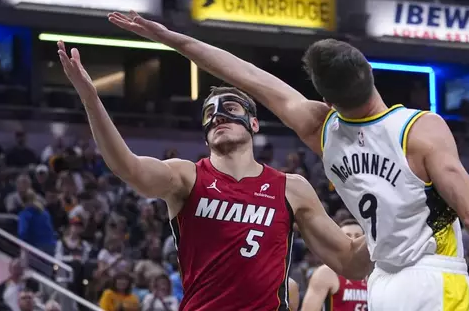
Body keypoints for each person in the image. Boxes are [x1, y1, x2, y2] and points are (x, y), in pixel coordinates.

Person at [108, 11, 469, 311]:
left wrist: (175, 39)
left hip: (383, 288)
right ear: (370, 72)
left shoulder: (321, 129)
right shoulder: (421, 129)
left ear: (326, 97)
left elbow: (249, 77)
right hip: (434, 280)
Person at [57, 41, 369, 311]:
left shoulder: (292, 188)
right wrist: (91, 100)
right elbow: (128, 167)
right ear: (205, 134)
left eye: (230, 107)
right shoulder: (187, 176)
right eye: (210, 113)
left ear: (254, 124)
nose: (219, 115)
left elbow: (351, 263)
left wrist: (400, 216)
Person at [301, 220, 367, 311]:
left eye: (358, 236)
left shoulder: (373, 273)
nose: (353, 240)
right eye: (347, 236)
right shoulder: (325, 273)